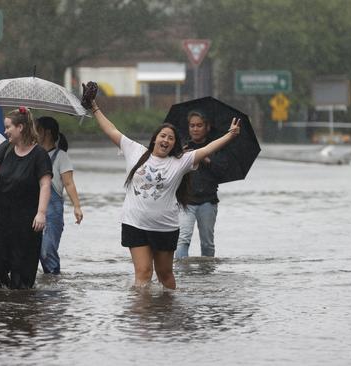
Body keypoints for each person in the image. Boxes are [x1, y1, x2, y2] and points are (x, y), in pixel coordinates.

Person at [85, 82, 240, 289]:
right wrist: (94, 106)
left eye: (171, 138)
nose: (166, 140)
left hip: (165, 226)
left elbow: (207, 148)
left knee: (165, 276)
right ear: (155, 139)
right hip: (134, 223)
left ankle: (167, 313)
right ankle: (143, 317)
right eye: (163, 136)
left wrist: (230, 135)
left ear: (174, 144)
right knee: (143, 273)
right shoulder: (135, 151)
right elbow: (111, 129)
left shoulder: (181, 161)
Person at [0, 107, 53, 289]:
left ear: (20, 127)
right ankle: (0, 304)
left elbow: (45, 185)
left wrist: (41, 213)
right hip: (0, 218)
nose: (5, 131)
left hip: (26, 222)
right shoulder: (6, 149)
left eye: (8, 127)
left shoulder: (40, 155)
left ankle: (21, 307)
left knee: (22, 273)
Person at [175, 111, 228, 259]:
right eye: (192, 125)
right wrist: (180, 157)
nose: (195, 129)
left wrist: (205, 157)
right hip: (185, 201)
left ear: (207, 127)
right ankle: (181, 273)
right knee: (183, 239)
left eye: (199, 125)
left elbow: (222, 172)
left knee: (207, 243)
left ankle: (207, 274)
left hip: (208, 201)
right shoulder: (181, 147)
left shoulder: (216, 147)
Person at [35, 116, 83, 274]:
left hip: (53, 212)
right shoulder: (35, 154)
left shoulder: (61, 156)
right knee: (34, 251)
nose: (34, 132)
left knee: (47, 251)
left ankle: (54, 285)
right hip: (34, 209)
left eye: (37, 129)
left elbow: (69, 183)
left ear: (46, 132)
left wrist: (77, 207)